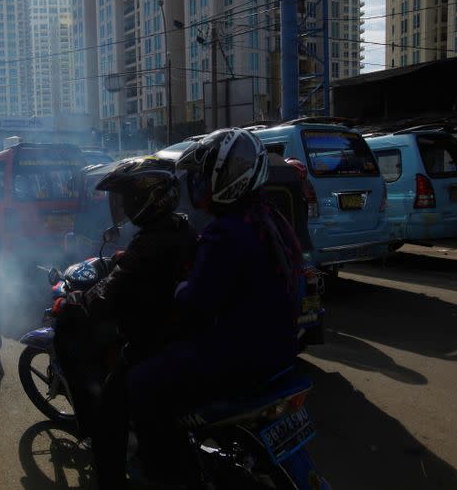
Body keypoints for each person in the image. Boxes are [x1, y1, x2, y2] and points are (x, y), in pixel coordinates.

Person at [126, 128, 304, 486]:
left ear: (228, 179)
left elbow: (196, 303)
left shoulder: (226, 232)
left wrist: (178, 289)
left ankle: (170, 476)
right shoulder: (270, 218)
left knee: (140, 382)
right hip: (280, 347)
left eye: (203, 179)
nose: (199, 189)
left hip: (239, 354)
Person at [54, 156, 198, 489]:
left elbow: (105, 296)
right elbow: (135, 269)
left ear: (147, 198)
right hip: (184, 336)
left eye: (127, 198)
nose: (123, 205)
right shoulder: (179, 226)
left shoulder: (151, 242)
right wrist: (122, 259)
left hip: (152, 344)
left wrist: (73, 301)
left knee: (107, 423)